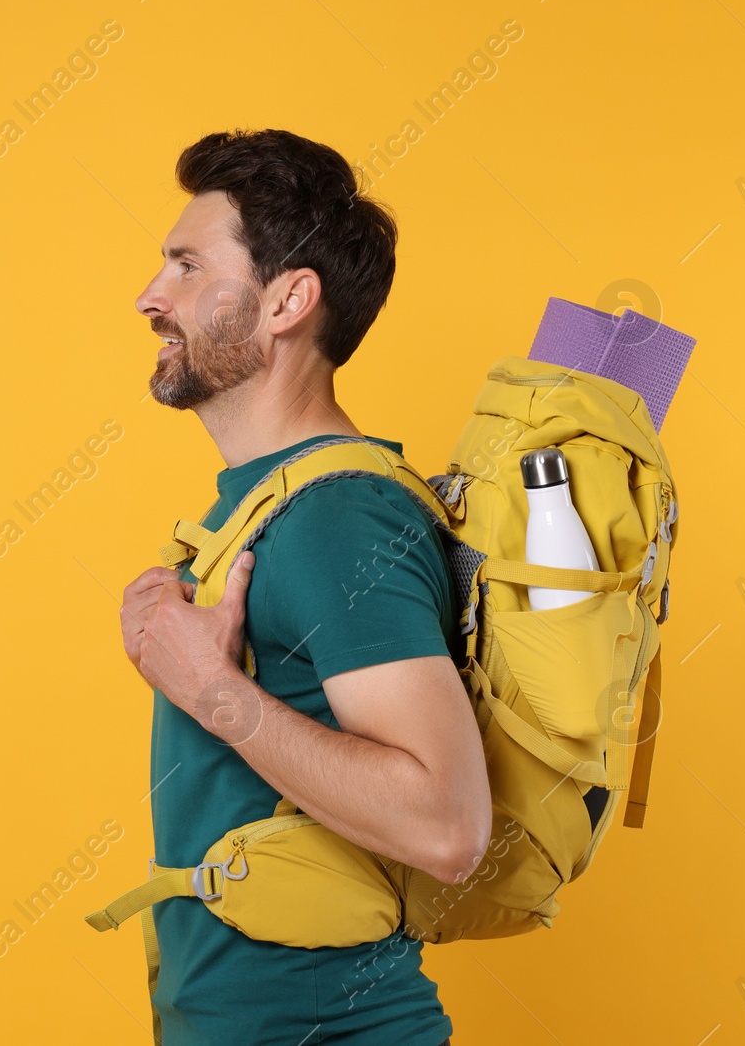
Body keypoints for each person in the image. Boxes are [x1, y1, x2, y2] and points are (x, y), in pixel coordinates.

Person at [120, 129, 491, 1046]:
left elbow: (448, 825)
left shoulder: (337, 518)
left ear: (287, 299)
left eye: (187, 266)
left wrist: (209, 689)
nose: (150, 298)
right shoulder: (265, 506)